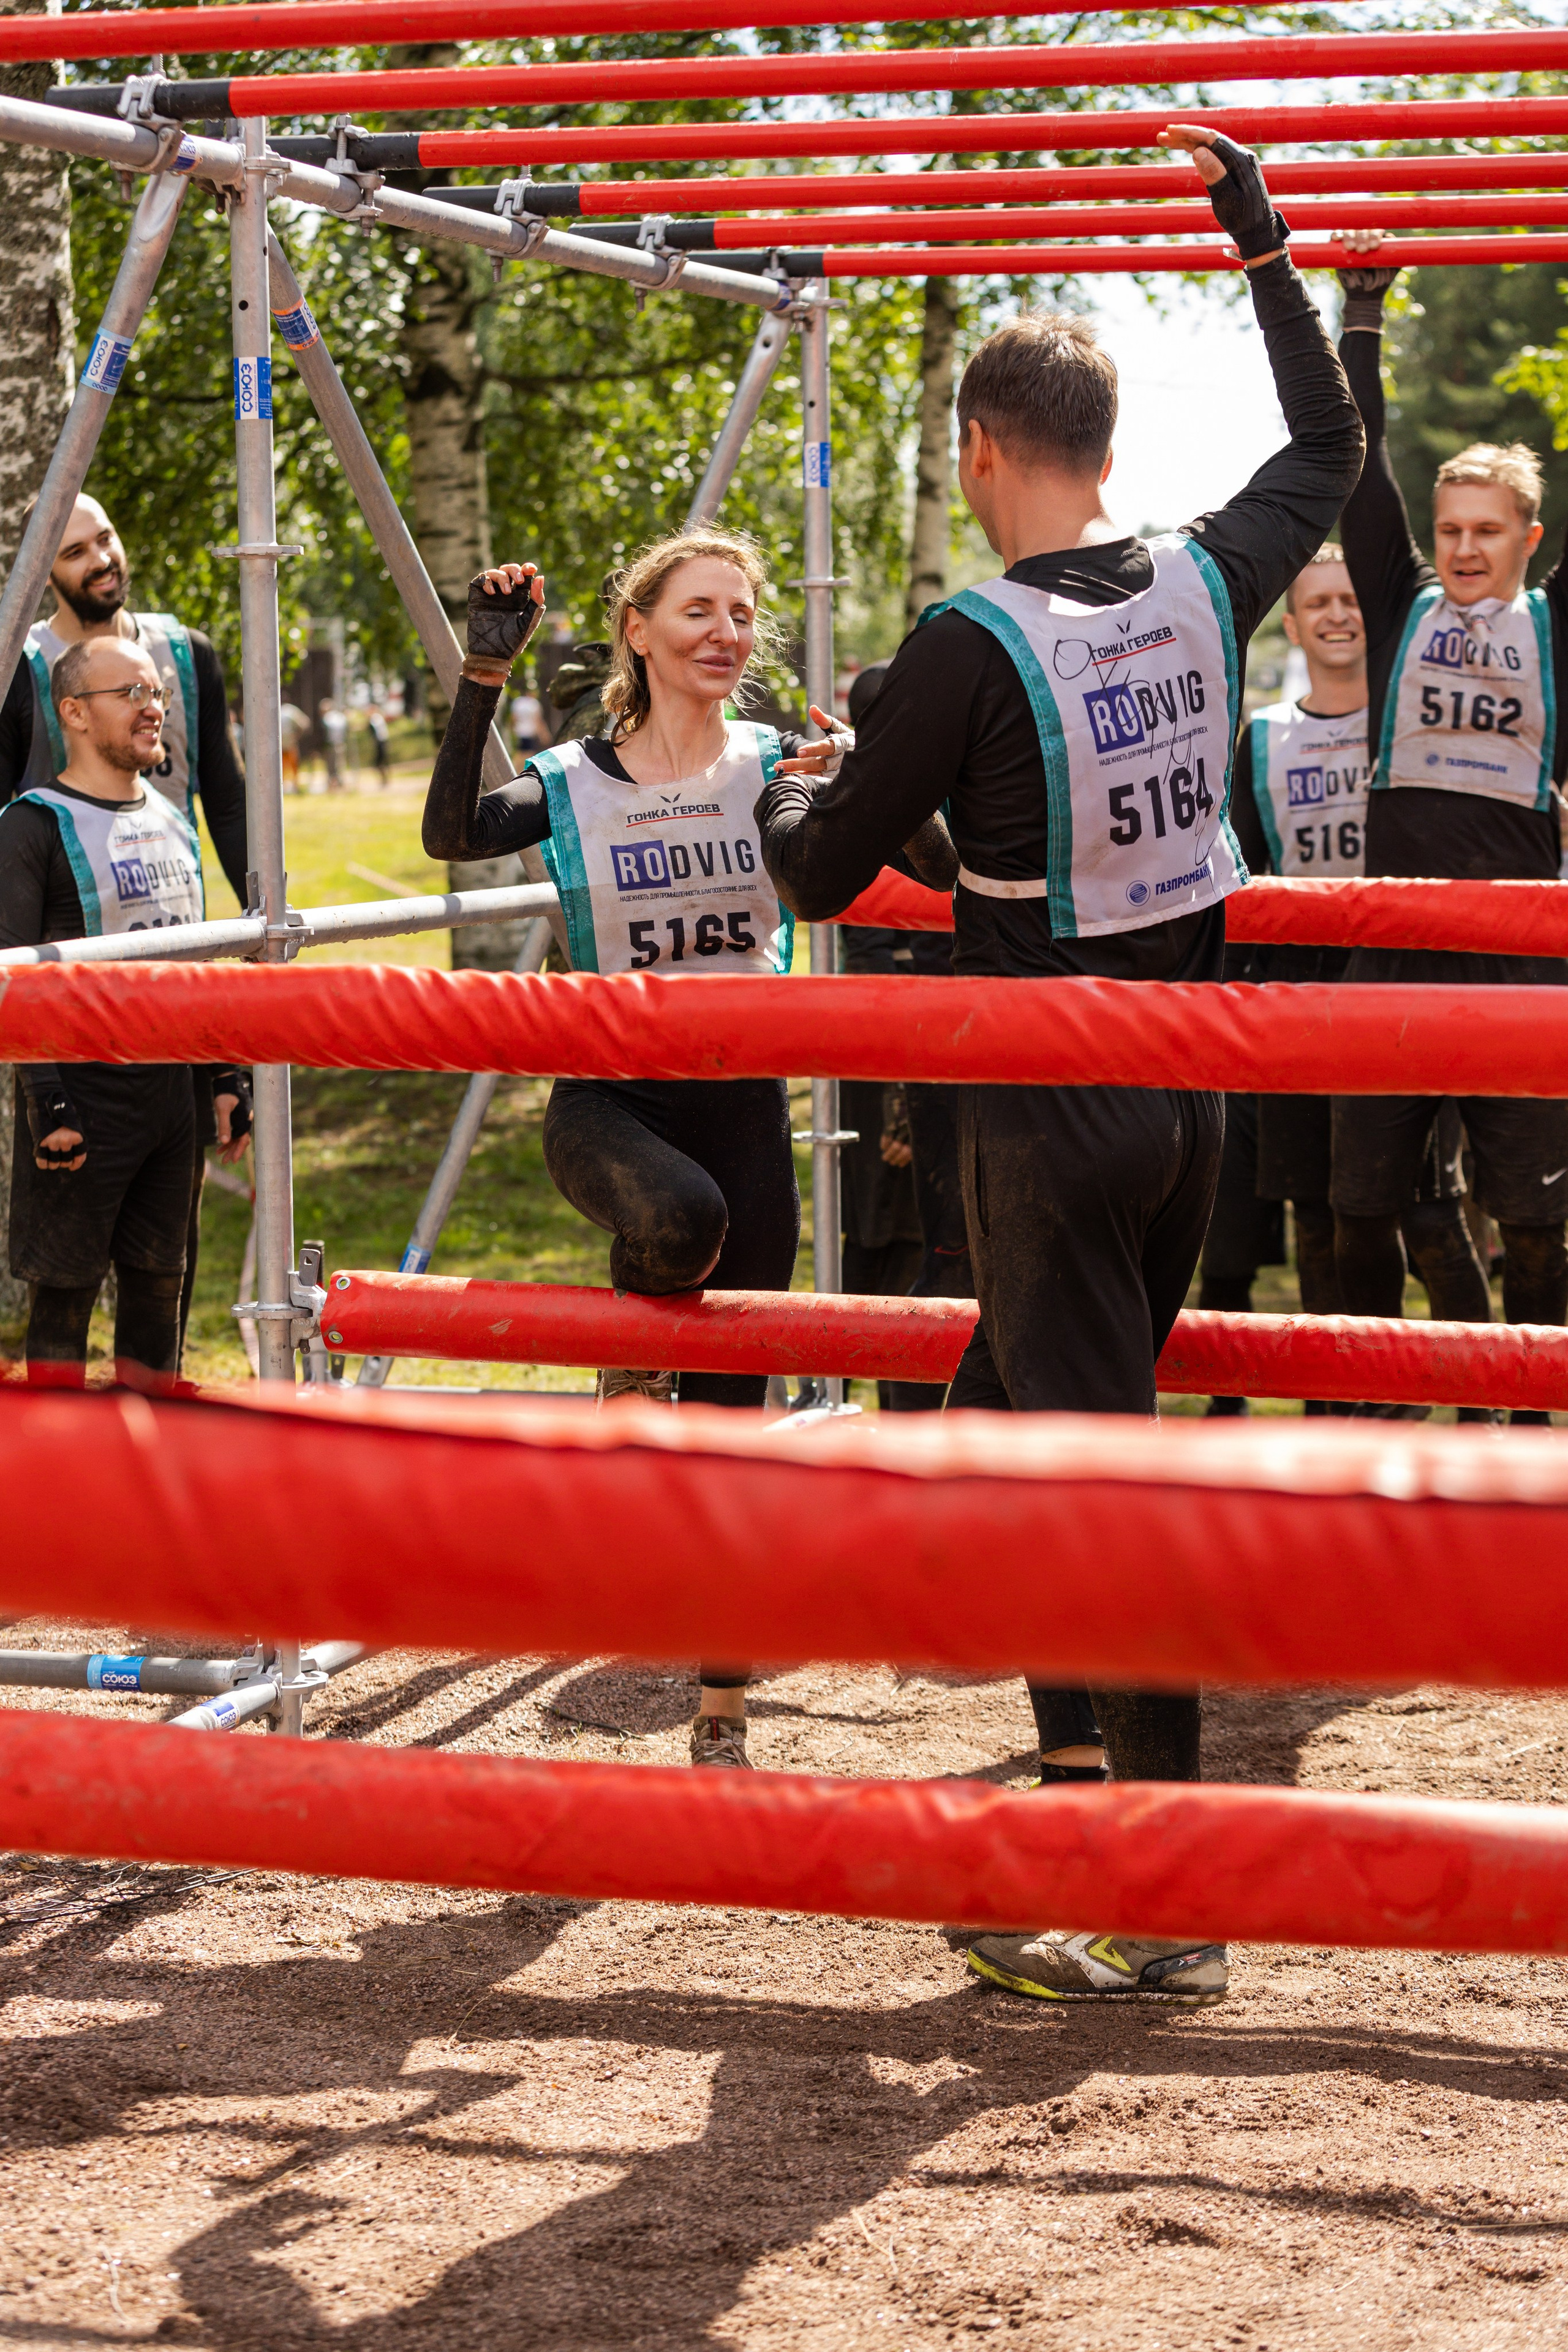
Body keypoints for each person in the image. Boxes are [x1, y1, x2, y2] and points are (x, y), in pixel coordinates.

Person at [758, 129, 1365, 2003]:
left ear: (982, 455)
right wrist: (1259, 243)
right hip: (1183, 1098)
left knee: (1089, 1484)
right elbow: (1330, 451)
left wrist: (822, 785)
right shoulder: (1199, 579)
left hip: (1037, 1111)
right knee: (1014, 1433)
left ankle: (1159, 1883)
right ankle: (1084, 1787)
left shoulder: (958, 641)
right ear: (1098, 445)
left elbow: (809, 868)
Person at [422, 529, 957, 1769]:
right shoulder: (570, 777)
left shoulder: (780, 765)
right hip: (610, 1109)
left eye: (742, 613)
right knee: (680, 1221)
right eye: (698, 611)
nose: (726, 633)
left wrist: (876, 776)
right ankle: (626, 1368)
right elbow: (453, 830)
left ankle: (718, 1708)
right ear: (639, 631)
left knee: (733, 1422)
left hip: (742, 1107)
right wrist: (480, 677)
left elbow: (928, 872)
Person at [1331, 256, 1567, 1419]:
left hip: (1521, 963)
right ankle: (1432, 1391)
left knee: (1536, 1216)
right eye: (1451, 529)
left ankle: (1527, 1419)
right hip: (1393, 954)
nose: (1465, 548)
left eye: (1489, 531)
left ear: (1531, 537)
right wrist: (1362, 314)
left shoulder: (1552, 628)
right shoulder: (1400, 601)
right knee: (1366, 1207)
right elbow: (1355, 459)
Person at [1227, 546, 1493, 1404]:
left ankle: (1487, 1401)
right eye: (1319, 603)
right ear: (1295, 624)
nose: (1339, 614)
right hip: (1299, 998)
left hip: (1404, 989)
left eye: (1351, 598)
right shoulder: (1261, 736)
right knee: (1317, 1214)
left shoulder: (1416, 720)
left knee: (1425, 1213)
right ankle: (1337, 1401)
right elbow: (1236, 868)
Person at [0, 492, 251, 1361]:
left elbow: (225, 795)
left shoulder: (184, 654)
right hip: (71, 998)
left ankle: (149, 1473)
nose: (100, 558)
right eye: (75, 551)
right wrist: (45, 1085)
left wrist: (228, 1047)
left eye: (105, 536)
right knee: (66, 1280)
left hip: (173, 996)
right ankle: (55, 1475)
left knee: (161, 1269)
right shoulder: (20, 668)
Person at [509, 683, 548, 760]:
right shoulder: (535, 704)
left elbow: (513, 718)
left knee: (518, 755)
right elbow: (538, 721)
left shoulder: (518, 702)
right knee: (529, 755)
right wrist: (543, 735)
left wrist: (512, 732)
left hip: (519, 733)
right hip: (529, 733)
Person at [279, 698, 309, 792]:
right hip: (291, 742)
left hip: (279, 742)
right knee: (294, 764)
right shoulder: (292, 711)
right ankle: (295, 785)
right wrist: (297, 736)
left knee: (280, 765)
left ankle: (281, 786)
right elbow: (304, 723)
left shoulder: (277, 711)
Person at [318, 698, 348, 790]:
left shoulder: (327, 718)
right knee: (339, 765)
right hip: (341, 743)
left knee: (332, 766)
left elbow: (325, 734)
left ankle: (334, 785)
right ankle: (339, 784)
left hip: (331, 745)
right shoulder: (340, 717)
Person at [366, 704, 391, 788]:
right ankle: (384, 780)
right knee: (382, 762)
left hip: (380, 742)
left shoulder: (375, 718)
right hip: (383, 741)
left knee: (380, 763)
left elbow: (372, 731)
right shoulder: (379, 717)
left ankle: (384, 780)